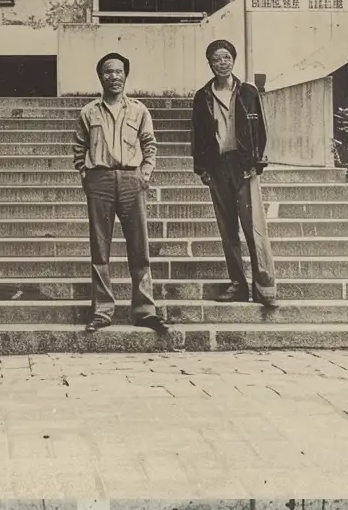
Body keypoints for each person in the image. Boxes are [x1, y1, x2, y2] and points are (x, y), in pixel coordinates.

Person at [71, 52, 168, 336]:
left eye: (118, 72)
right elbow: (79, 147)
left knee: (139, 248)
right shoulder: (89, 112)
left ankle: (145, 311)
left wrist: (143, 175)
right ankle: (102, 310)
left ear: (126, 75)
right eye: (107, 72)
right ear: (100, 77)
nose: (113, 77)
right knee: (99, 250)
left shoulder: (139, 110)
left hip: (130, 179)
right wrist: (86, 174)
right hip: (99, 180)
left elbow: (149, 145)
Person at [189, 39, 278, 312]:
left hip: (244, 167)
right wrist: (202, 168)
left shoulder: (248, 92)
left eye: (226, 57)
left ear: (234, 60)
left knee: (254, 228)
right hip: (217, 168)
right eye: (217, 59)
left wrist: (256, 162)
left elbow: (260, 131)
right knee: (228, 231)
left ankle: (264, 288)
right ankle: (238, 284)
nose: (222, 63)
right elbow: (197, 135)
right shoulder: (202, 95)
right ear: (210, 63)